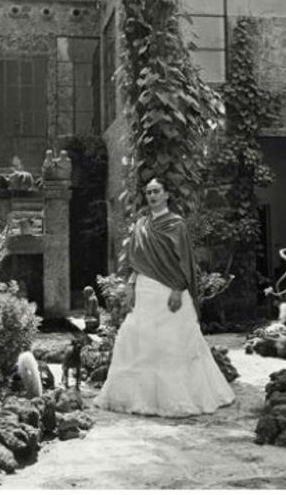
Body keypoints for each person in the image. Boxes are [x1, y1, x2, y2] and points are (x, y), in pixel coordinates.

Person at [94, 177, 235, 417]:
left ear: (167, 195)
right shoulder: (141, 225)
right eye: (149, 192)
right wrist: (130, 285)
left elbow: (184, 261)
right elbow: (136, 261)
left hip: (170, 290)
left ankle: (178, 398)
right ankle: (140, 398)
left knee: (173, 343)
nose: (152, 196)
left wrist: (179, 289)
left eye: (157, 191)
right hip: (145, 290)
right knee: (139, 339)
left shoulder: (176, 224)